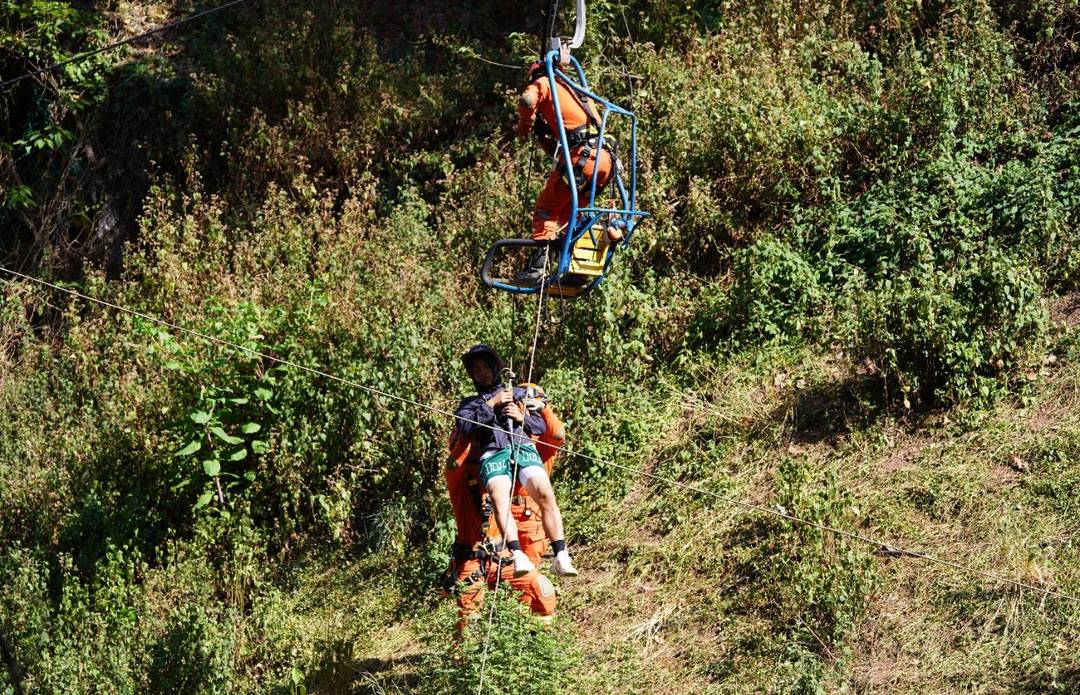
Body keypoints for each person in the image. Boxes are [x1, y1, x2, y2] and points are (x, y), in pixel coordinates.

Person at [454, 344, 577, 577]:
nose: (482, 372)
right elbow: (465, 427)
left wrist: (521, 416)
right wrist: (492, 404)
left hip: (521, 444)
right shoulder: (470, 404)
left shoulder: (518, 393)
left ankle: (561, 554)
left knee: (545, 493)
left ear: (494, 368)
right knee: (499, 497)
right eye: (476, 369)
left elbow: (541, 427)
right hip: (494, 451)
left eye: (485, 367)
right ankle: (517, 553)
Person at [514, 60, 617, 283]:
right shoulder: (576, 91)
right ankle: (575, 267)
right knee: (569, 211)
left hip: (583, 158)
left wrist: (525, 124)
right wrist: (543, 136)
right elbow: (568, 137)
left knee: (546, 207)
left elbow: (528, 99)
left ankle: (537, 267)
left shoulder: (545, 82)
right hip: (604, 161)